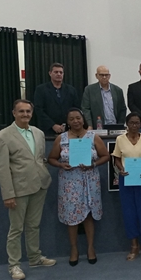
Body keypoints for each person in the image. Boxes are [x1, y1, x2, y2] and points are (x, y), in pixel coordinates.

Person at [0, 100, 56, 280]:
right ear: (14, 113)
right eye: (21, 111)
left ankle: (35, 258)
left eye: (28, 111)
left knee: (34, 225)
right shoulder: (3, 136)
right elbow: (2, 169)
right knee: (16, 229)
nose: (25, 114)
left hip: (39, 185)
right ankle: (14, 265)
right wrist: (8, 194)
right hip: (18, 190)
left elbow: (39, 158)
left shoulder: (38, 133)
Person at [48, 108, 110, 266]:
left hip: (89, 181)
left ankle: (90, 248)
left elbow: (106, 156)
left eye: (78, 118)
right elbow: (51, 159)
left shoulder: (92, 136)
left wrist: (93, 164)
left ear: (83, 119)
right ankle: (74, 249)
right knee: (72, 217)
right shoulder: (61, 138)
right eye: (72, 119)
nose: (75, 121)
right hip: (69, 183)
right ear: (67, 122)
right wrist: (61, 165)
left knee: (88, 215)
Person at [112, 112, 141, 261]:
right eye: (132, 123)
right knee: (129, 213)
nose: (135, 125)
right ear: (127, 124)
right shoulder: (120, 139)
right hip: (127, 179)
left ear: (140, 125)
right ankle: (134, 246)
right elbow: (116, 158)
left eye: (137, 123)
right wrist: (121, 169)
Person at [34, 62, 80, 136]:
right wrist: (52, 125)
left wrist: (68, 124)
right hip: (48, 130)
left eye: (61, 72)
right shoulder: (41, 89)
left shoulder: (71, 90)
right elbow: (39, 110)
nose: (59, 74)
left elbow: (76, 109)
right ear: (50, 73)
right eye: (56, 72)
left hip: (69, 129)